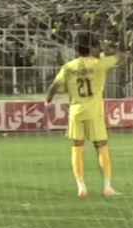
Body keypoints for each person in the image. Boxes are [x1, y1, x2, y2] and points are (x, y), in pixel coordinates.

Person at [45, 33, 124, 199]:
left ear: (77, 49)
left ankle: (81, 187)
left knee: (77, 147)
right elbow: (121, 57)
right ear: (92, 47)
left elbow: (54, 86)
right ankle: (107, 187)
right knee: (101, 146)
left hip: (76, 111)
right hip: (94, 111)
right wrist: (105, 50)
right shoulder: (99, 64)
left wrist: (48, 100)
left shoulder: (68, 67)